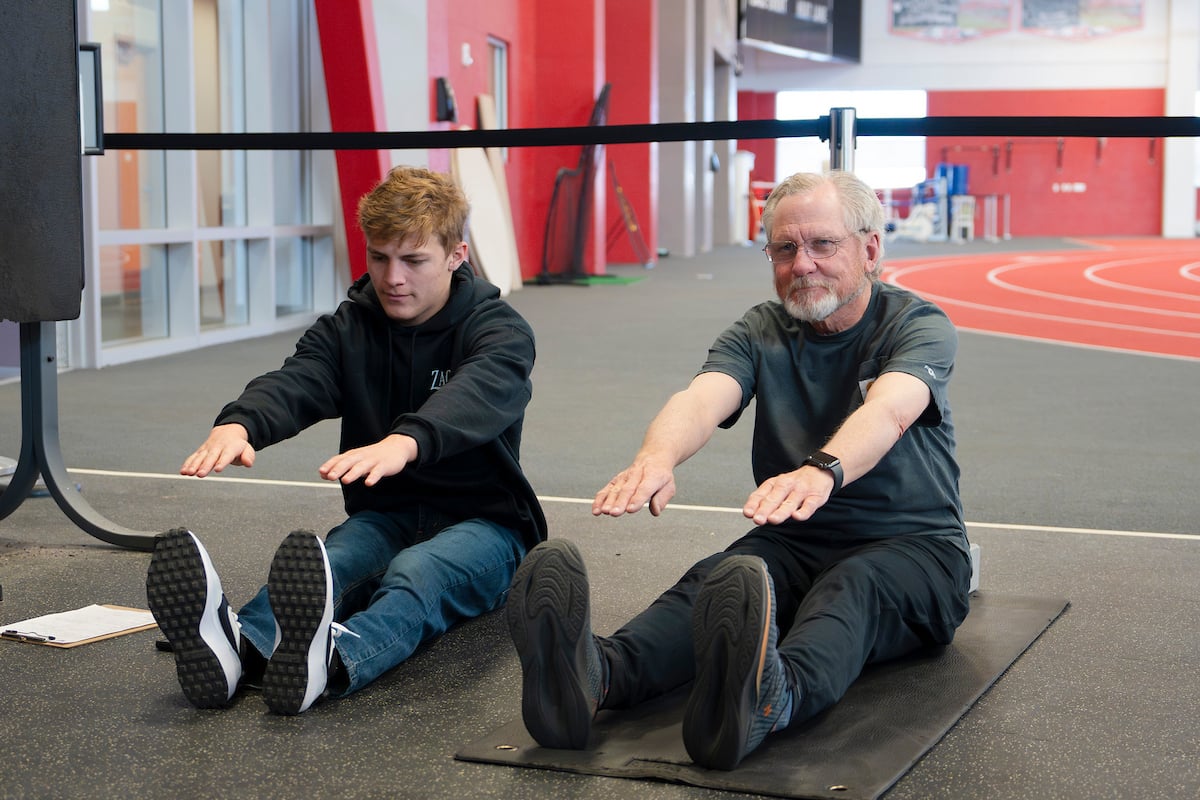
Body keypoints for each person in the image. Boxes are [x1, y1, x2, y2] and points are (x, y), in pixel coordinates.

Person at [506, 170, 972, 769]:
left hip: (916, 548)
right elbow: (703, 397)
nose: (801, 264)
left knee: (852, 590)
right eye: (784, 248)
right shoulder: (760, 329)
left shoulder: (918, 325)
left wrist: (821, 470)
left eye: (822, 245)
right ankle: (596, 677)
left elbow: (889, 411)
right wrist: (657, 457)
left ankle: (771, 699)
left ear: (871, 249)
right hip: (797, 534)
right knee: (721, 580)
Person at [146, 165, 546, 715]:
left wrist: (404, 443)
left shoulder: (498, 328)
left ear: (457, 256)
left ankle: (332, 661)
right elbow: (299, 379)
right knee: (335, 560)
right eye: (379, 257)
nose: (392, 278)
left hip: (487, 525)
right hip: (388, 513)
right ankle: (238, 643)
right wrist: (241, 422)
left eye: (413, 260)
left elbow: (480, 391)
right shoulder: (349, 327)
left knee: (416, 574)